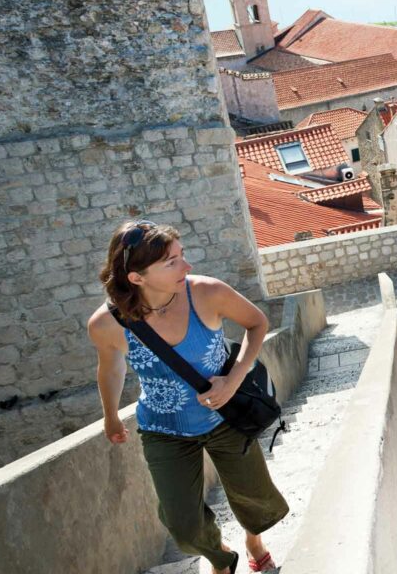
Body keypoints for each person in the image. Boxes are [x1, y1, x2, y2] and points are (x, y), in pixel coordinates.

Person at [87, 220, 288, 574]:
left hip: (227, 418)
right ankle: (220, 558)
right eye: (171, 262)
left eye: (182, 255)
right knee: (183, 526)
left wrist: (232, 379)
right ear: (136, 277)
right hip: (164, 429)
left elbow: (257, 323)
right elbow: (111, 369)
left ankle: (254, 541)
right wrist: (110, 415)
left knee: (255, 498)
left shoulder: (207, 292)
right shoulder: (106, 324)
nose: (187, 266)